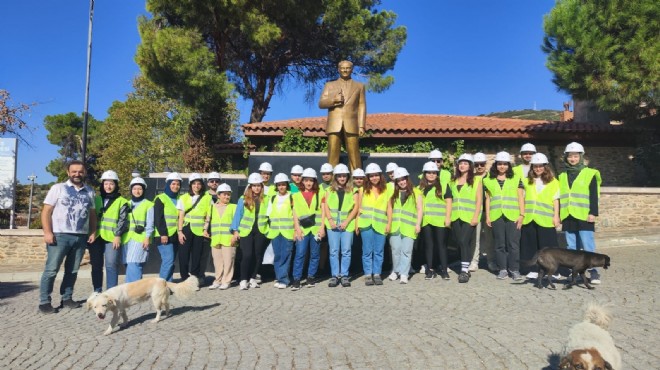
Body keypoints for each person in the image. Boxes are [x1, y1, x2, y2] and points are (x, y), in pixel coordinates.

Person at [39, 160, 97, 313]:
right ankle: (44, 301)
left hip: (80, 237)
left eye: (80, 171)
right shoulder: (58, 188)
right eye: (74, 171)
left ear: (84, 173)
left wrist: (93, 231)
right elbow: (46, 211)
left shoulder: (90, 191)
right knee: (51, 270)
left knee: (72, 270)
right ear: (68, 172)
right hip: (60, 235)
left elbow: (92, 215)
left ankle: (67, 298)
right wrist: (47, 232)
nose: (77, 174)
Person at [559, 142, 602, 284]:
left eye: (575, 156)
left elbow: (593, 195)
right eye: (570, 156)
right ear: (566, 158)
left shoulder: (590, 173)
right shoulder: (562, 175)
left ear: (581, 157)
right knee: (572, 247)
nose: (572, 159)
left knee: (587, 245)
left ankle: (594, 272)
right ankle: (576, 272)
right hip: (568, 215)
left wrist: (593, 213)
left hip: (584, 215)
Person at [483, 152, 525, 281]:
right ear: (495, 165)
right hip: (496, 216)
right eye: (500, 164)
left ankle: (515, 269)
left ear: (508, 165)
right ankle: (502, 269)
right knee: (499, 244)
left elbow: (520, 197)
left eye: (505, 164)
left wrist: (522, 214)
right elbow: (488, 199)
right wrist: (488, 216)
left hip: (513, 215)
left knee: (513, 244)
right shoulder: (487, 180)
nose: (502, 166)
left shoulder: (516, 179)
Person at [318, 60, 366, 171]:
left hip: (352, 123)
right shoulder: (329, 85)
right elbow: (321, 103)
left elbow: (362, 106)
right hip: (334, 123)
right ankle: (331, 181)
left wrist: (361, 126)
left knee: (354, 153)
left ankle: (357, 179)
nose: (345, 70)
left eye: (348, 68)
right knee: (332, 154)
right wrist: (333, 100)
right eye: (343, 68)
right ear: (338, 69)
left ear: (352, 70)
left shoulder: (360, 86)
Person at [520, 153, 561, 279]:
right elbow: (521, 198)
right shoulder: (527, 181)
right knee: (530, 245)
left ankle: (553, 271)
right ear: (532, 167)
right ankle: (533, 269)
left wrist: (556, 216)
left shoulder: (554, 182)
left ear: (545, 167)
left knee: (549, 247)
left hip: (546, 219)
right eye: (535, 166)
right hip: (530, 218)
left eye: (540, 166)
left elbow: (556, 200)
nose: (538, 169)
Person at [89, 170, 128, 292]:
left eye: (111, 184)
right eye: (106, 183)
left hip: (112, 238)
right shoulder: (96, 199)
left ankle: (111, 291)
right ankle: (97, 290)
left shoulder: (122, 201)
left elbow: (123, 220)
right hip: (96, 236)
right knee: (96, 265)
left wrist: (118, 235)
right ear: (102, 185)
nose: (108, 186)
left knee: (111, 265)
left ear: (116, 185)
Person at [231, 173, 270, 290]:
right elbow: (237, 215)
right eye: (254, 185)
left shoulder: (267, 199)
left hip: (261, 231)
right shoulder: (243, 199)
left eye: (259, 185)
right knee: (247, 255)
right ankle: (243, 279)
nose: (257, 188)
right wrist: (235, 230)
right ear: (250, 187)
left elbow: (270, 215)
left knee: (258, 255)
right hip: (245, 231)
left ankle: (253, 278)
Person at [450, 154, 483, 283]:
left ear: (470, 166)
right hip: (456, 216)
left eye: (465, 163)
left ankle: (464, 270)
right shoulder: (453, 181)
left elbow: (479, 200)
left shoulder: (476, 181)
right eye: (460, 163)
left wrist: (476, 216)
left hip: (469, 217)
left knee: (464, 241)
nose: (462, 165)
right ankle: (465, 265)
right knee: (460, 242)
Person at [386, 167, 423, 284]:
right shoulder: (393, 193)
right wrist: (388, 224)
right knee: (395, 250)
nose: (402, 182)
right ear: (396, 182)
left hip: (409, 227)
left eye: (403, 179)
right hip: (395, 227)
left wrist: (418, 224)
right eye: (399, 180)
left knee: (406, 251)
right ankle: (396, 271)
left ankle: (404, 274)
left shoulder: (416, 192)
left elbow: (420, 209)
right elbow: (389, 209)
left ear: (407, 179)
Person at [324, 164, 359, 287]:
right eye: (339, 176)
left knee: (346, 251)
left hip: (347, 225)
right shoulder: (329, 190)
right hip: (332, 225)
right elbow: (326, 206)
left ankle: (344, 275)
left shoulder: (353, 190)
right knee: (333, 251)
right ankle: (334, 276)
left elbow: (356, 208)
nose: (342, 178)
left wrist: (346, 222)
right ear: (336, 177)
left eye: (344, 176)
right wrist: (330, 220)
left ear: (347, 177)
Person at [291, 168, 325, 290]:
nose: (309, 183)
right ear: (303, 181)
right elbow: (294, 213)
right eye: (306, 180)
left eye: (311, 180)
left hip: (315, 229)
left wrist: (322, 228)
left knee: (315, 254)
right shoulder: (296, 195)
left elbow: (323, 211)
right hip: (303, 230)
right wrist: (297, 229)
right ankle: (296, 279)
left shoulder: (320, 193)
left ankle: (311, 277)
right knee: (300, 254)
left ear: (314, 181)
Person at [357, 163, 390, 286]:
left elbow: (389, 208)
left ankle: (377, 274)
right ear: (368, 177)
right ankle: (367, 274)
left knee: (379, 250)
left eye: (376, 175)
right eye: (371, 176)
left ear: (380, 176)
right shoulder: (362, 190)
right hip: (366, 224)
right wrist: (357, 224)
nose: (374, 178)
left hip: (380, 224)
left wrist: (389, 223)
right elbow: (358, 208)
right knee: (367, 250)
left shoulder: (386, 190)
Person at [418, 161, 452, 280]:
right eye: (429, 173)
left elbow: (448, 202)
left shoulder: (443, 185)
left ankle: (444, 269)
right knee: (429, 246)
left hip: (440, 221)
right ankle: (430, 270)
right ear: (425, 174)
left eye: (434, 173)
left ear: (437, 174)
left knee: (441, 246)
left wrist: (448, 218)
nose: (431, 175)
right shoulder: (420, 188)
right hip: (426, 221)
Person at [177, 173, 212, 287]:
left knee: (197, 256)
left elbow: (208, 216)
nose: (196, 186)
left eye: (199, 184)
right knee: (184, 255)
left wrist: (205, 229)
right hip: (186, 229)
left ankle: (194, 280)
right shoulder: (183, 197)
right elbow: (181, 216)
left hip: (199, 230)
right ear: (190, 185)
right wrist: (180, 231)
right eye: (194, 184)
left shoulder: (207, 198)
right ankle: (184, 278)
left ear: (202, 185)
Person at [267, 173, 297, 289]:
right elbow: (269, 214)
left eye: (283, 184)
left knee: (286, 255)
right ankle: (279, 277)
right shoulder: (273, 198)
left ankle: (284, 279)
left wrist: (295, 230)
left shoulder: (292, 197)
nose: (281, 187)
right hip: (275, 232)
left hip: (287, 231)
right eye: (279, 185)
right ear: (276, 186)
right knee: (278, 256)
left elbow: (295, 215)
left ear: (287, 185)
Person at [122, 177, 154, 283]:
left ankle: (131, 290)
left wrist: (147, 237)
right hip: (126, 238)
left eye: (140, 189)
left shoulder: (149, 204)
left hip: (140, 237)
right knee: (129, 263)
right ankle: (137, 288)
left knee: (134, 262)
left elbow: (150, 223)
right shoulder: (126, 203)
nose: (137, 191)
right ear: (131, 190)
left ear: (143, 190)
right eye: (135, 188)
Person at [153, 172, 182, 282]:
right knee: (168, 260)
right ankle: (160, 285)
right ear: (168, 184)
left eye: (178, 184)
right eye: (173, 183)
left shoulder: (180, 199)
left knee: (171, 261)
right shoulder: (160, 198)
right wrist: (163, 234)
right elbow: (158, 218)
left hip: (175, 234)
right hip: (164, 235)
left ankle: (168, 284)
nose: (176, 186)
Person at [470, 152, 496, 272]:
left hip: (488, 212)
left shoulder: (491, 177)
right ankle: (474, 261)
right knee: (475, 238)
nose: (479, 166)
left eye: (482, 164)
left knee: (490, 238)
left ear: (486, 164)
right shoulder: (470, 178)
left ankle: (491, 261)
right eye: (477, 164)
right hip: (474, 211)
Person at [208, 183, 237, 290]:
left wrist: (235, 235)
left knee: (228, 261)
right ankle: (218, 280)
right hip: (216, 239)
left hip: (228, 239)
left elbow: (237, 222)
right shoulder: (212, 207)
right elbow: (208, 220)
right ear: (218, 195)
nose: (227, 196)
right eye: (224, 194)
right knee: (218, 262)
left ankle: (226, 281)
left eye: (228, 194)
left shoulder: (233, 207)